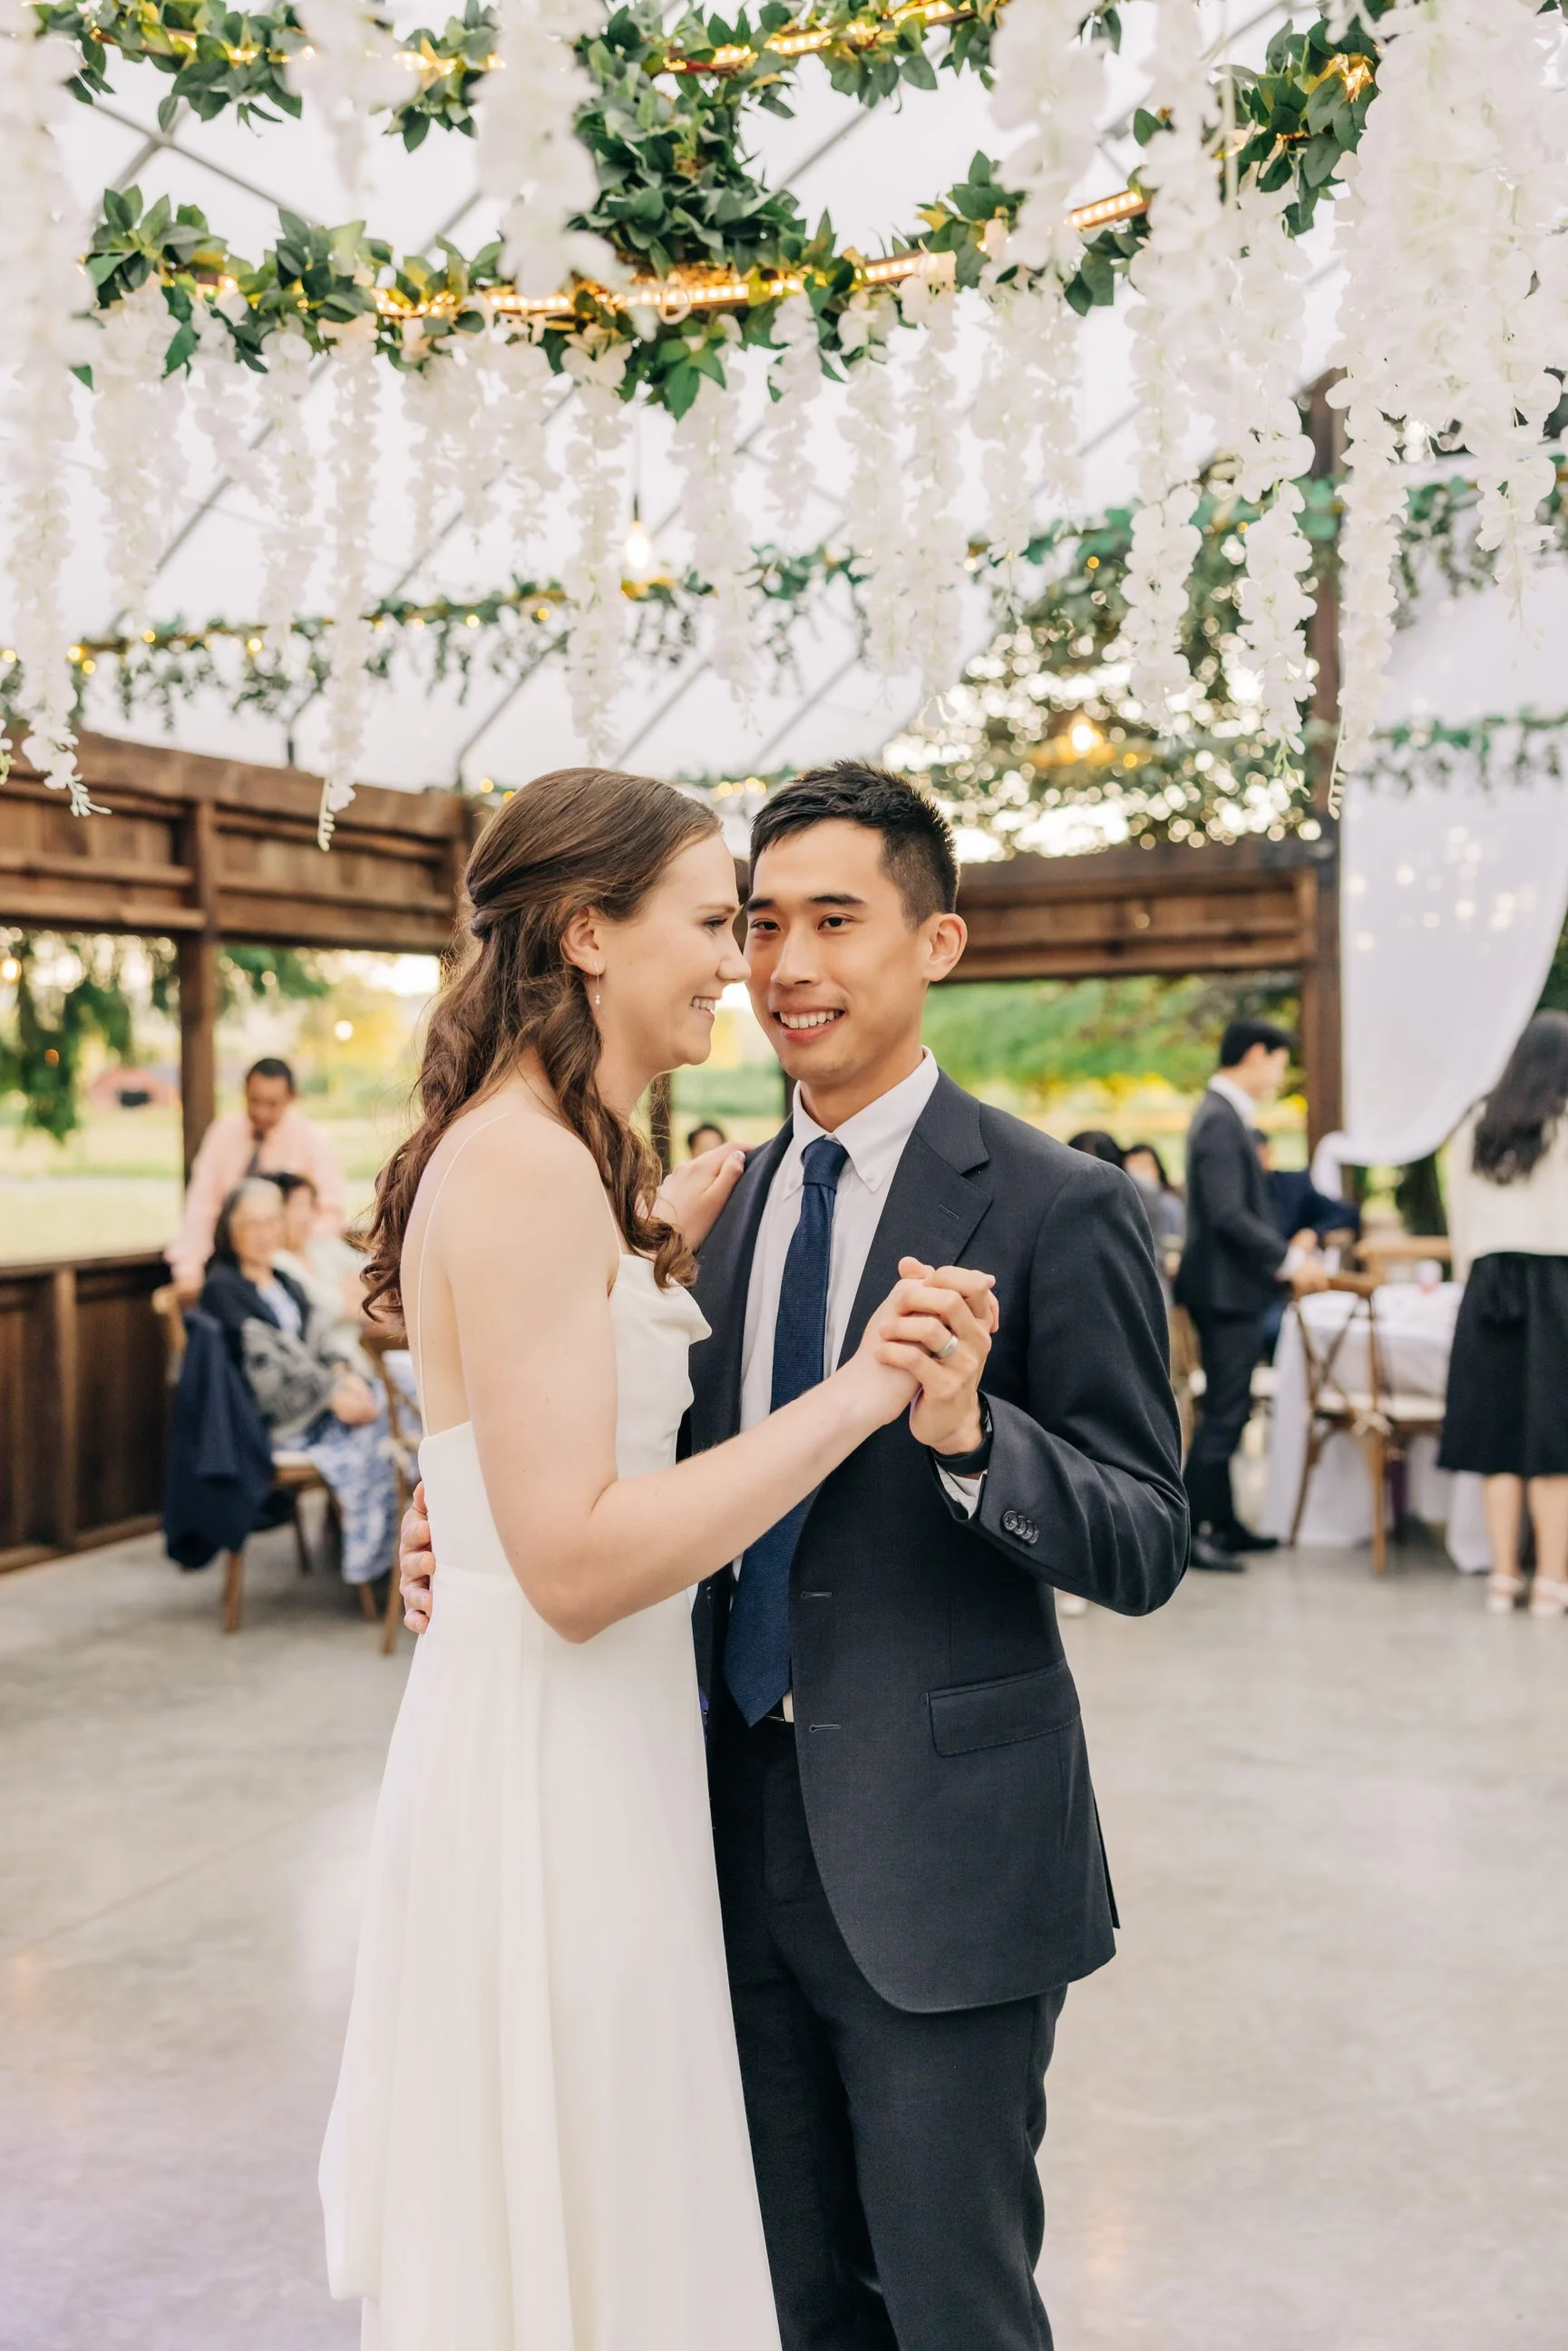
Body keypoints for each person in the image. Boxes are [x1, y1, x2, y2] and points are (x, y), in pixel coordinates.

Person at [401, 760, 1189, 2351]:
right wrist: (468, 1516)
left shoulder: (1055, 1203)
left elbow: (1145, 1534)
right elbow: (618, 1471)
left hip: (935, 1866)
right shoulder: (716, 1203)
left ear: (939, 942)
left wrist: (974, 1438)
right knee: (775, 2302)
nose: (780, 966)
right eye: (754, 922)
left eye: (833, 919)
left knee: (952, 2307)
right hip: (690, 1843)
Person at [323, 766, 994, 2350]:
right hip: (557, 1756)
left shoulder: (570, 1158)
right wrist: (859, 1389)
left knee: (602, 2200)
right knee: (586, 2219)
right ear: (585, 934)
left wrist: (648, 1264)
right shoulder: (529, 1163)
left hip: (597, 1737)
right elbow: (570, 1561)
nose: (739, 968)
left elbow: (526, 1467)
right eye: (713, 923)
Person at [1175, 1018, 1327, 1569]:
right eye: (1280, 1062)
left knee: (1231, 1410)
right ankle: (1188, 1532)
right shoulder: (1218, 1119)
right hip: (1224, 1291)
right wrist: (1287, 1259)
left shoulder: (1225, 1116)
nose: (1280, 1075)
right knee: (1226, 1410)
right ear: (1258, 1054)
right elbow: (1227, 1213)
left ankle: (1227, 1523)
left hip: (1231, 1288)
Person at [199, 1178, 398, 1593]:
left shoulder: (282, 1281)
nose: (264, 1232)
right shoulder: (224, 1289)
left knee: (384, 1410)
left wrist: (344, 1375)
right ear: (229, 1228)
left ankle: (383, 1555)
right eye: (252, 1223)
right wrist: (333, 1396)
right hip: (273, 1419)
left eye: (272, 1222)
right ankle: (375, 1566)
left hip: (316, 1401)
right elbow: (268, 1369)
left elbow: (320, 1339)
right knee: (383, 1435)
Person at [1440, 1010, 1568, 1617]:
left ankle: (1501, 1576)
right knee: (1553, 1441)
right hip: (1557, 1281)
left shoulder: (1475, 1124)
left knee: (1497, 1439)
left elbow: (1459, 1221)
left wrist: (1472, 1274)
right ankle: (1550, 1581)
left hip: (1489, 1282)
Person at [169, 1057, 346, 1294]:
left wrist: (292, 1257)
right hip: (227, 1267)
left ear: (291, 1098)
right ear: (244, 1091)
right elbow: (201, 1208)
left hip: (291, 1274)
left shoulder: (311, 1141)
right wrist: (189, 1271)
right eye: (254, 1101)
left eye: (272, 1104)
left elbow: (330, 1214)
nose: (261, 1112)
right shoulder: (223, 1134)